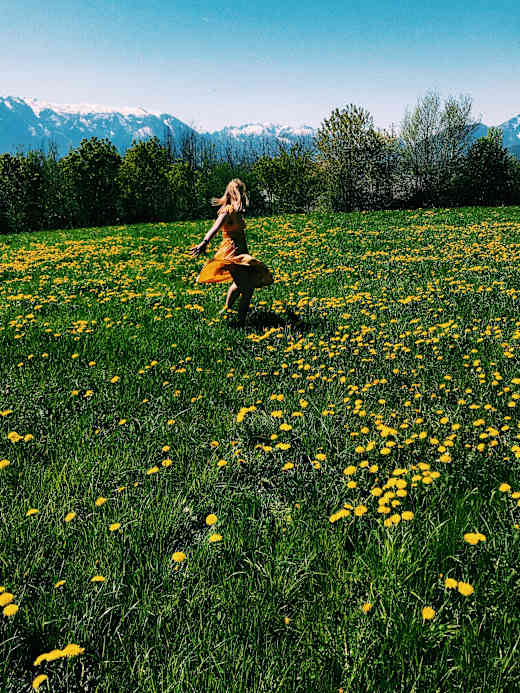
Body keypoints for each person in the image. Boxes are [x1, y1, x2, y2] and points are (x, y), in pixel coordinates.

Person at [190, 179, 274, 325]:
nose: (242, 195)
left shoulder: (237, 212)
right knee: (247, 290)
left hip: (242, 253)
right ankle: (241, 322)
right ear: (234, 194)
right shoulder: (227, 211)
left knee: (240, 284)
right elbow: (215, 228)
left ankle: (226, 311)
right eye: (239, 192)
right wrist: (204, 243)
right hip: (232, 254)